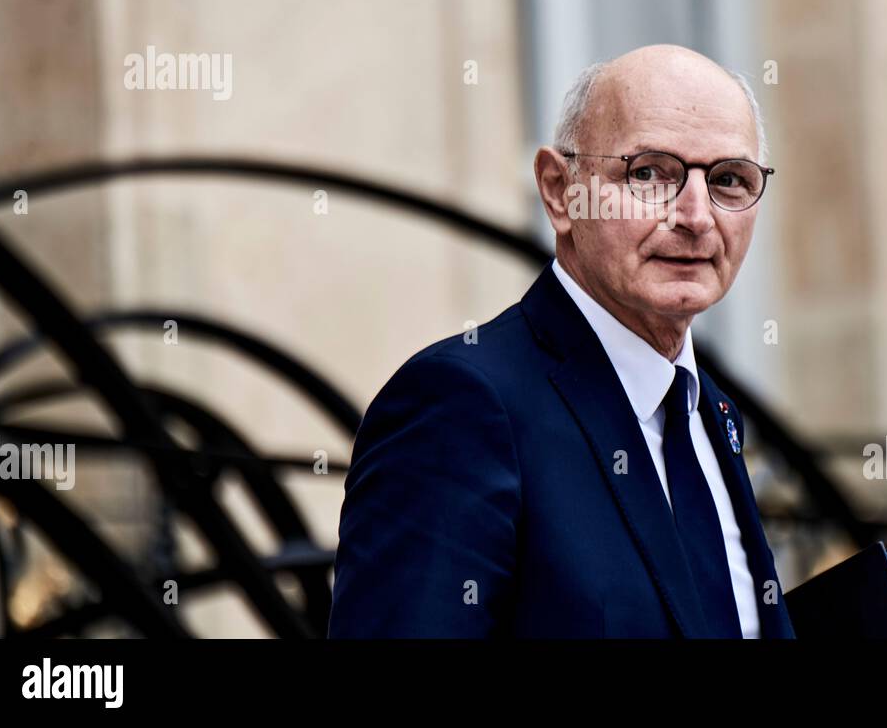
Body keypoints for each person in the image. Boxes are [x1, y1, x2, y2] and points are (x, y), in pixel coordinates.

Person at [328, 44, 794, 637]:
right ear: (559, 191)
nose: (696, 215)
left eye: (729, 179)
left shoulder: (713, 415)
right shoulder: (462, 404)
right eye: (649, 173)